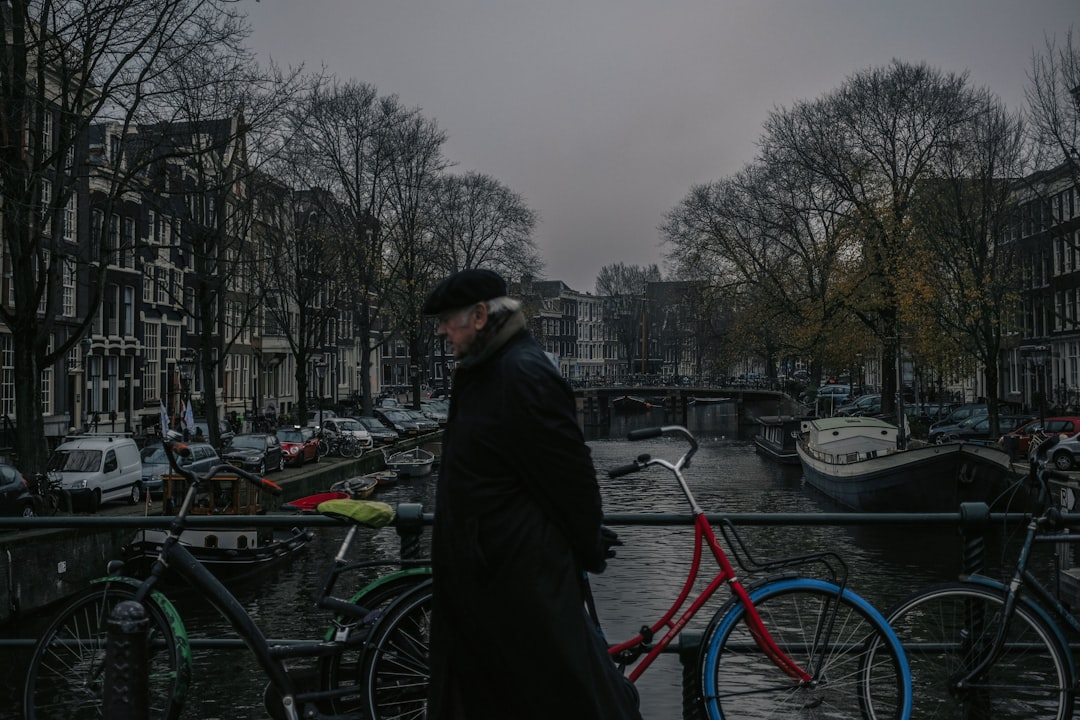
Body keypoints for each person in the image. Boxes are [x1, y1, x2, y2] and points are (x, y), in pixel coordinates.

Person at [422, 268, 641, 720]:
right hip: (487, 584)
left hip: (517, 587)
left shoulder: (522, 374)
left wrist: (587, 545)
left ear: (480, 315)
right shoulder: (486, 371)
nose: (442, 330)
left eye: (448, 319)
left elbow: (571, 475)